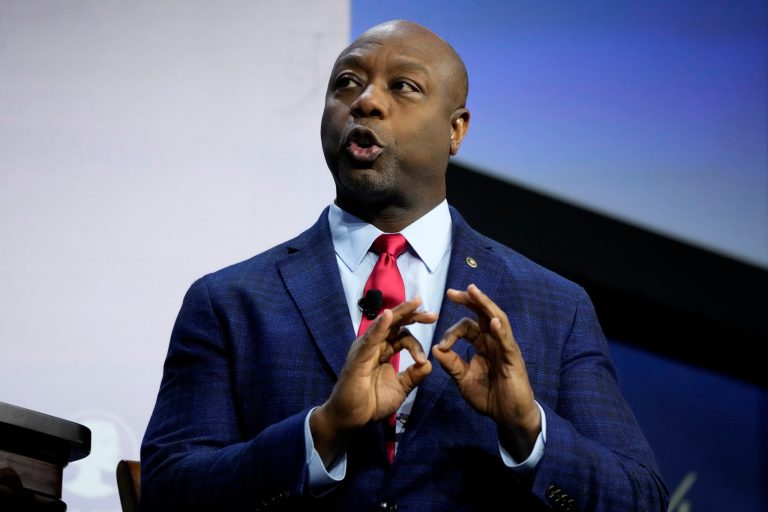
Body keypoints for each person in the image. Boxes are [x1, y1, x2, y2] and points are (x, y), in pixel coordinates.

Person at [140, 19, 669, 511]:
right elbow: (168, 490)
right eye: (347, 83)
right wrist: (322, 430)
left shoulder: (555, 306)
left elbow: (641, 498)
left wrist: (528, 428)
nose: (366, 101)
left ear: (456, 131)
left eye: (403, 86)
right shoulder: (230, 300)